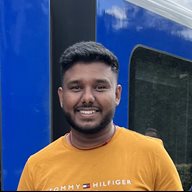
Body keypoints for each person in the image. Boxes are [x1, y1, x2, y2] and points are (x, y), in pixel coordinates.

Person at [17, 41, 183, 191]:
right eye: (76, 88)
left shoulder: (152, 154)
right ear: (61, 97)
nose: (88, 97)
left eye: (100, 87)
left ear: (117, 95)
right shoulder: (36, 167)